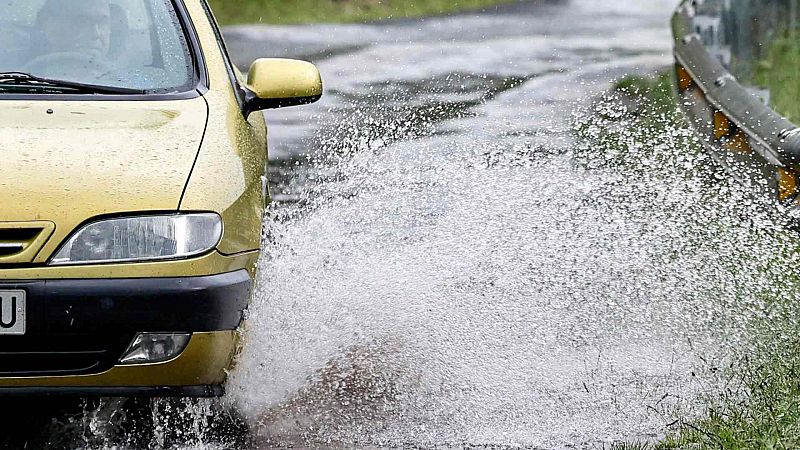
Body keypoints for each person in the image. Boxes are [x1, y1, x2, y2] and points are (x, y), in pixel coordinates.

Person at [36, 0, 112, 60]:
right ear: (50, 26)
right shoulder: (28, 73)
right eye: (82, 22)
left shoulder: (118, 77)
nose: (96, 34)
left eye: (102, 23)